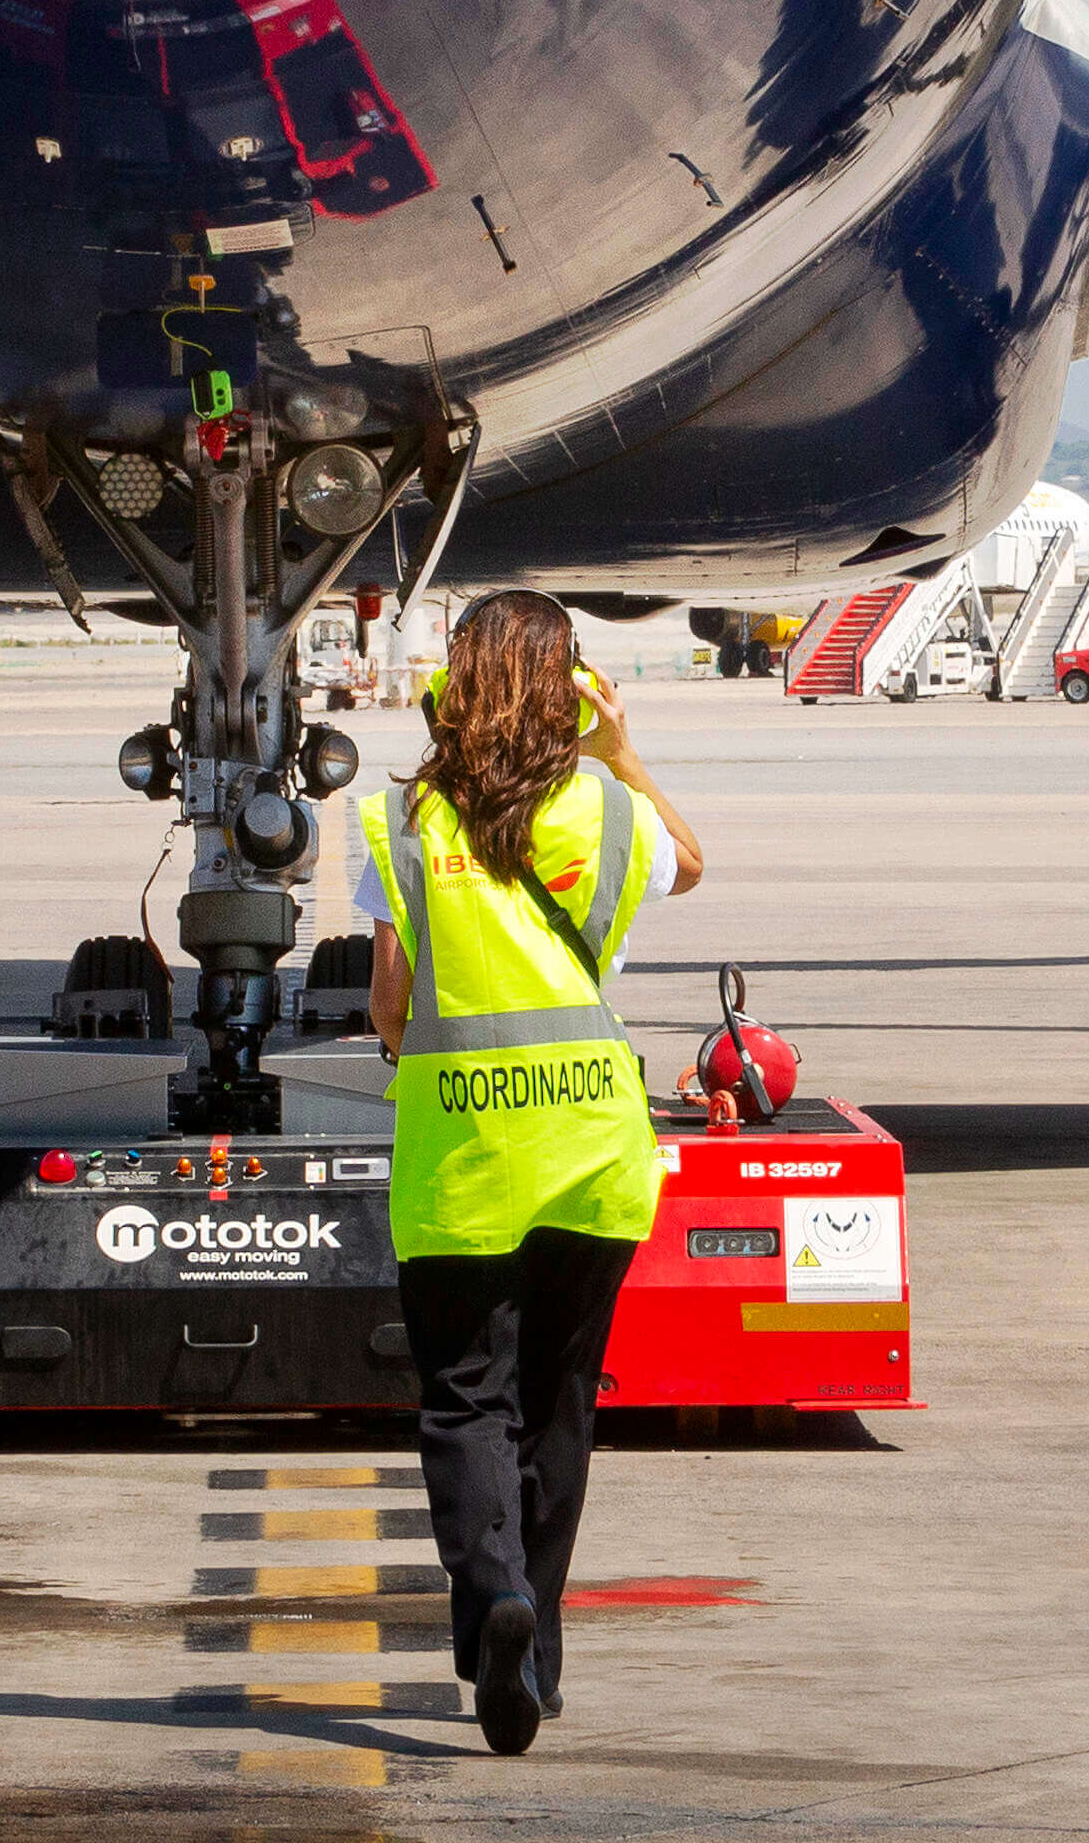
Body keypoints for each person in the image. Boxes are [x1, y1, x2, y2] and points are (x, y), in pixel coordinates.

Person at [355, 589, 707, 1756]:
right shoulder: (605, 811)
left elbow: (389, 1008)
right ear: (570, 685)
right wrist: (622, 749)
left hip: (461, 1158)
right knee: (560, 1400)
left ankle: (493, 1595)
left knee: (466, 1398)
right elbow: (693, 864)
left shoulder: (407, 821)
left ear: (457, 681)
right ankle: (537, 1646)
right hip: (595, 1153)